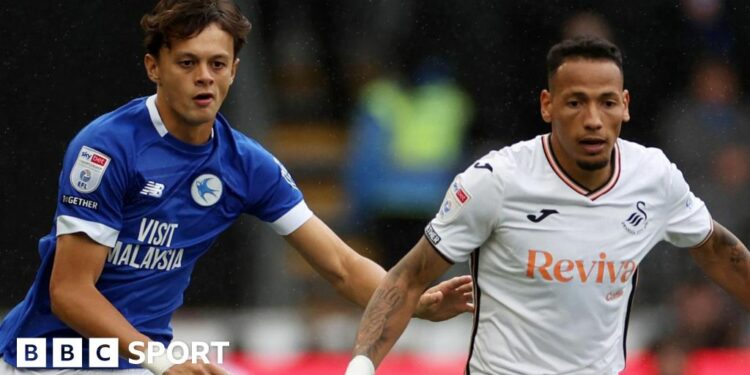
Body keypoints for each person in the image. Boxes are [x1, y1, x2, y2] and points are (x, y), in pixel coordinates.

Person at [0, 1, 474, 374]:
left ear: (234, 70)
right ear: (153, 67)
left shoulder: (246, 164)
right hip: (47, 358)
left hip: (141, 361)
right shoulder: (106, 149)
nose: (204, 76)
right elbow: (71, 292)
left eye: (217, 63)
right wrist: (162, 362)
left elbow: (342, 267)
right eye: (187, 62)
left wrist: (417, 303)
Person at [344, 37, 750, 375]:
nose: (593, 119)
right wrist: (361, 367)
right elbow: (409, 277)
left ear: (625, 105)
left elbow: (717, 250)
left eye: (607, 103)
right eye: (575, 102)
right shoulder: (495, 181)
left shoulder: (653, 177)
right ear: (547, 105)